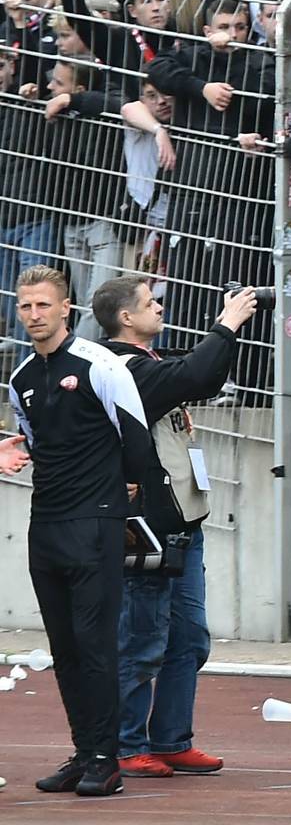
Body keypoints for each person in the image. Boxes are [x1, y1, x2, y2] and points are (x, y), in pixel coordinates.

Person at [100, 276, 257, 780]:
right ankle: (127, 745)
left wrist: (225, 337)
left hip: (184, 524)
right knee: (141, 641)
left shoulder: (149, 363)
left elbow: (202, 378)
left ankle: (171, 739)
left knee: (188, 639)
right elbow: (195, 374)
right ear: (125, 317)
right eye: (150, 303)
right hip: (147, 526)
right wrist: (227, 324)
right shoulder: (122, 370)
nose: (160, 308)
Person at [4, 266, 149, 797]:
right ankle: (85, 750)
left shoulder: (100, 364)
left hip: (95, 521)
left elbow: (136, 436)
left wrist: (129, 492)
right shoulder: (20, 378)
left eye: (43, 305)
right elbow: (37, 441)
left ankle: (107, 758)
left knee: (94, 644)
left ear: (66, 308)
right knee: (64, 648)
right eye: (25, 306)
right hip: (46, 523)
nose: (34, 315)